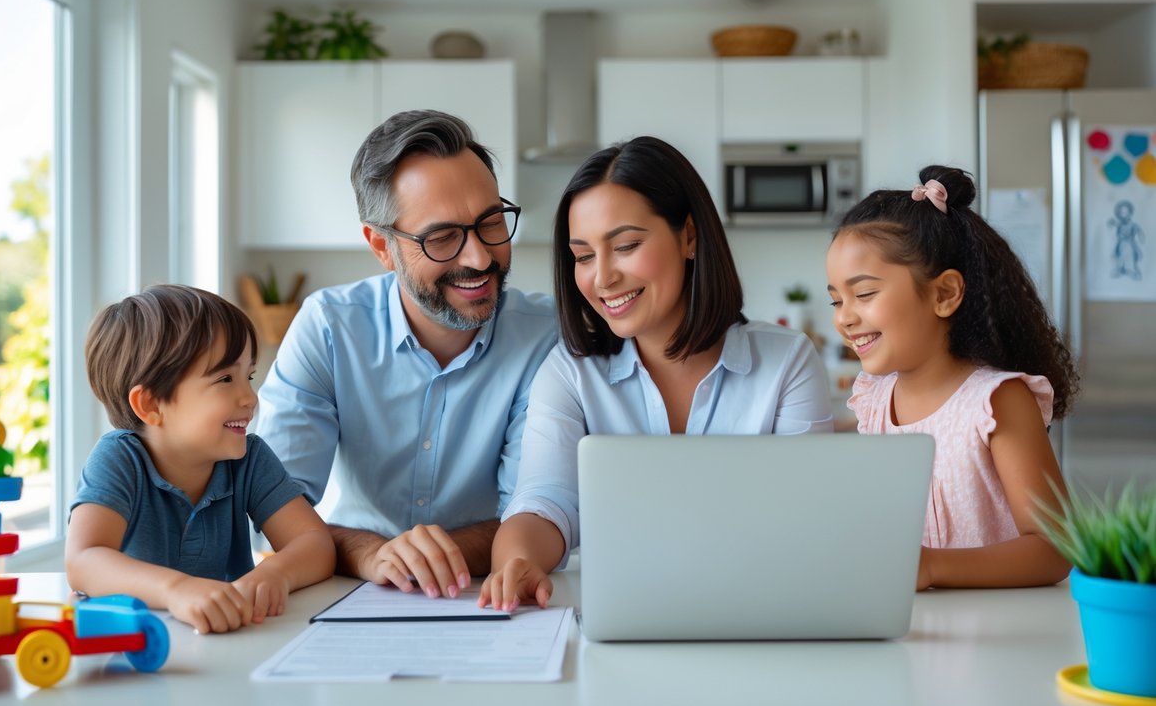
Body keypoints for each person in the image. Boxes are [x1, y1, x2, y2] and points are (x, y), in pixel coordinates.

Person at [480, 136, 834, 611]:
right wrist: (519, 561)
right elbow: (544, 500)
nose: (602, 277)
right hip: (627, 613)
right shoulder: (570, 374)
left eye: (625, 245)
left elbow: (808, 522)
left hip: (759, 609)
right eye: (583, 256)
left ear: (689, 236)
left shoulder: (787, 363)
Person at [255, 110, 558, 600]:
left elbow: (542, 508)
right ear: (381, 246)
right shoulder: (328, 327)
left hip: (491, 596)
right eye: (442, 238)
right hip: (344, 593)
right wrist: (369, 553)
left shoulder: (547, 338)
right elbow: (267, 510)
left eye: (491, 223)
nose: (479, 258)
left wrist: (427, 555)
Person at [825, 165, 1079, 590]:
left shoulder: (996, 401)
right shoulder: (873, 401)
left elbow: (1055, 548)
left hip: (999, 637)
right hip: (910, 628)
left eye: (864, 294)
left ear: (944, 294)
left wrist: (929, 567)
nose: (845, 318)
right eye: (836, 300)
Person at [67, 285, 335, 634]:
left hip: (230, 639)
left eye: (248, 376)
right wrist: (176, 590)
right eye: (225, 379)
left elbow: (316, 543)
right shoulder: (119, 459)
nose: (250, 398)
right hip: (136, 640)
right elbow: (83, 559)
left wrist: (274, 575)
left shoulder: (249, 459)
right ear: (150, 405)